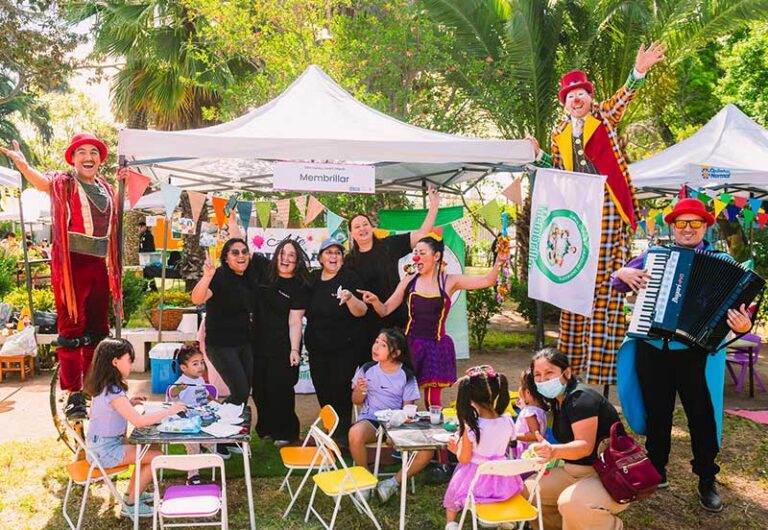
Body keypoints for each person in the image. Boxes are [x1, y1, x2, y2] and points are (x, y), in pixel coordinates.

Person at [530, 43, 667, 388]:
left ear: (590, 99)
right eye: (570, 96)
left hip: (607, 205)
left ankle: (605, 376)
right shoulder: (559, 133)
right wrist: (540, 155)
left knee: (608, 283)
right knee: (575, 285)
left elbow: (624, 98)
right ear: (564, 103)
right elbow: (560, 169)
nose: (576, 100)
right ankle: (569, 372)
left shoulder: (602, 117)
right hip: (578, 211)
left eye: (581, 94)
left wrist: (638, 71)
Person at [614, 198, 752, 512]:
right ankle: (657, 469)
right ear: (672, 227)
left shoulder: (721, 261)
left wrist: (744, 326)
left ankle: (706, 478)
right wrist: (623, 272)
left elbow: (740, 315)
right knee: (657, 413)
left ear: (705, 227)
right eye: (681, 223)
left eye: (694, 223)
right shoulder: (652, 255)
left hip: (693, 353)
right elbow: (616, 282)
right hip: (652, 348)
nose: (687, 229)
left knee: (701, 417)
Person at [1, 134, 121, 419]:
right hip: (73, 266)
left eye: (94, 152)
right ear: (73, 158)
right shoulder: (65, 183)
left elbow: (120, 207)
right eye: (82, 152)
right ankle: (75, 395)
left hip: (98, 265)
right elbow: (43, 184)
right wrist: (24, 167)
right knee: (72, 330)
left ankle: (94, 386)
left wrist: (127, 179)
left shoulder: (106, 187)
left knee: (97, 330)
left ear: (100, 159)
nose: (88, 157)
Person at [359, 234, 510, 408]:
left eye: (422, 252)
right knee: (403, 395)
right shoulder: (409, 280)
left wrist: (500, 260)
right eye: (415, 252)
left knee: (433, 401)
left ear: (436, 256)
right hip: (410, 345)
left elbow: (487, 280)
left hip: (436, 346)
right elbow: (384, 310)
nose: (416, 257)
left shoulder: (450, 281)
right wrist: (375, 301)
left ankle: (432, 430)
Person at [84, 338, 186, 518]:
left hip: (99, 447)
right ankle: (130, 504)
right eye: (129, 359)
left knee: (151, 449)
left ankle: (131, 494)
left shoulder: (105, 387)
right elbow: (138, 421)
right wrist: (169, 411)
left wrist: (129, 403)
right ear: (115, 362)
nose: (131, 363)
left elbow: (109, 410)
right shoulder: (113, 391)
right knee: (157, 457)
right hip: (105, 451)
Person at [526, 347, 625, 530]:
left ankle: (611, 526)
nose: (542, 380)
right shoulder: (558, 400)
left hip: (607, 474)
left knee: (571, 504)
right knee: (528, 489)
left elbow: (585, 446)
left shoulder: (581, 398)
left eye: (549, 373)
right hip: (573, 470)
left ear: (567, 373)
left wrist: (553, 451)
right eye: (537, 375)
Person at [345, 187, 440, 346]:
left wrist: (434, 206)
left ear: (371, 227)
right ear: (351, 233)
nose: (362, 228)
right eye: (357, 226)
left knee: (400, 366)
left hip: (396, 319)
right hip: (366, 326)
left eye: (365, 224)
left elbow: (422, 234)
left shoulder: (389, 245)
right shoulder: (349, 261)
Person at [349, 328, 432, 503]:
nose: (376, 347)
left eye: (383, 345)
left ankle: (392, 484)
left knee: (427, 450)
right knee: (355, 433)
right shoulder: (367, 368)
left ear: (396, 353)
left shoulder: (407, 375)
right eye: (376, 342)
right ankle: (365, 481)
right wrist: (360, 391)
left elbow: (408, 410)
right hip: (371, 420)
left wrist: (396, 430)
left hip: (396, 423)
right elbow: (356, 401)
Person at [443, 364, 521, 530]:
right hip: (502, 482)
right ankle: (499, 518)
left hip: (474, 482)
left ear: (470, 399)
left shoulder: (472, 425)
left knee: (452, 498)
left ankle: (451, 523)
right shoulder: (507, 421)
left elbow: (464, 458)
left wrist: (455, 449)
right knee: (497, 498)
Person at [304, 238, 368, 441]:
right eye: (329, 252)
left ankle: (342, 439)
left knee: (340, 390)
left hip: (345, 347)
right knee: (323, 390)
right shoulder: (312, 279)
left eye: (338, 253)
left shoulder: (350, 278)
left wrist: (350, 298)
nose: (334, 256)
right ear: (321, 258)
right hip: (317, 347)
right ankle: (330, 430)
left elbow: (362, 311)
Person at [249, 238, 311, 447]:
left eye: (291, 255)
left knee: (280, 389)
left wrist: (294, 349)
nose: (286, 258)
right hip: (257, 342)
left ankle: (287, 432)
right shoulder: (264, 270)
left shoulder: (300, 286)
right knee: (259, 389)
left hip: (283, 345)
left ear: (297, 260)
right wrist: (231, 219)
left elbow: (295, 321)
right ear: (276, 255)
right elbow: (241, 248)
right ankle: (266, 428)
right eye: (283, 253)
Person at [191, 238, 255, 410]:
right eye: (235, 253)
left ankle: (231, 427)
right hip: (221, 345)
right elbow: (196, 298)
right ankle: (217, 418)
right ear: (226, 258)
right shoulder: (219, 276)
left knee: (243, 391)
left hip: (244, 342)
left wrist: (233, 221)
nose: (241, 256)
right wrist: (207, 276)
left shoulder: (248, 277)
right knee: (240, 392)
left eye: (244, 252)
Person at [169, 343, 216, 484]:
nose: (201, 366)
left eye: (202, 362)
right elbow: (172, 393)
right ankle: (192, 475)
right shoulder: (182, 381)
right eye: (195, 364)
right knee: (192, 447)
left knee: (212, 442)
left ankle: (204, 449)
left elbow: (205, 394)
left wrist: (215, 402)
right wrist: (178, 389)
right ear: (184, 368)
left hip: (202, 417)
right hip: (186, 422)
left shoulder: (200, 379)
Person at [513, 368, 548, 459]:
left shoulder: (530, 412)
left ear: (528, 392)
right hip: (537, 450)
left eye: (521, 386)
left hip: (527, 451)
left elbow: (534, 435)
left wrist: (512, 435)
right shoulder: (540, 409)